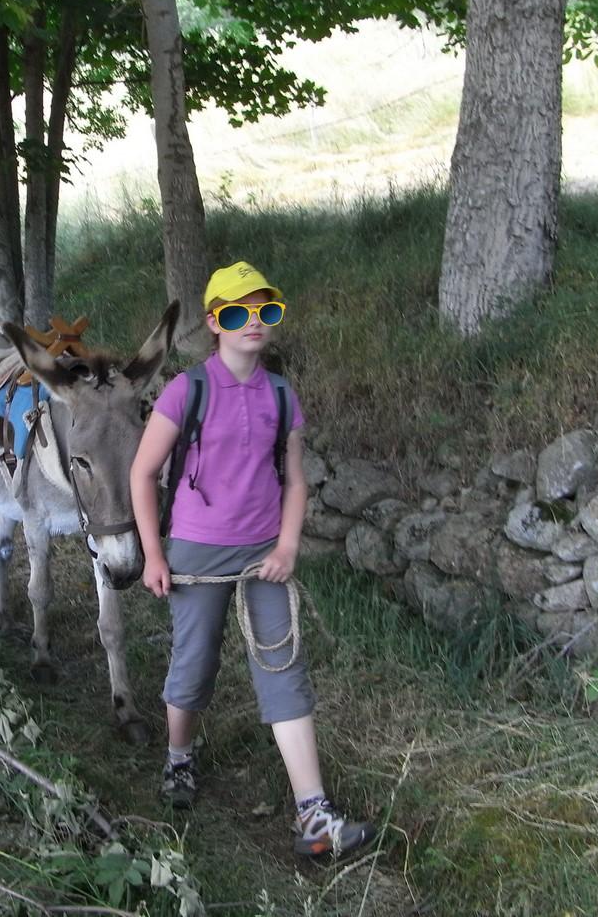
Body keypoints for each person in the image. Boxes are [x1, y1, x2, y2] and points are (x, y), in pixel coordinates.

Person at [129, 261, 376, 859]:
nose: (254, 322)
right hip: (196, 549)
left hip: (264, 552)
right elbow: (142, 473)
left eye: (266, 310)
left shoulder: (282, 395)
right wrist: (154, 555)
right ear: (215, 322)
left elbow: (295, 480)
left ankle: (313, 813)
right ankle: (179, 757)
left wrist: (287, 546)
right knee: (196, 660)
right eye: (239, 312)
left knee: (282, 665)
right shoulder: (187, 390)